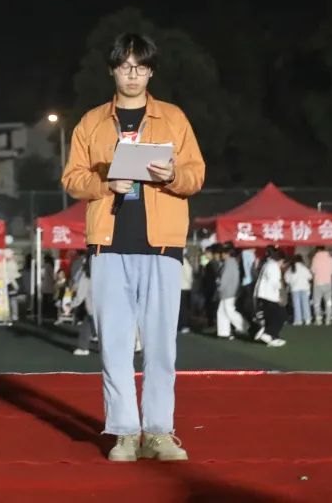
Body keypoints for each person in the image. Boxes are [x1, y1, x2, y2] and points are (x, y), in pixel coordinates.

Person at [61, 33, 205, 462]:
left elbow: (196, 175)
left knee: (161, 346)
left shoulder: (173, 118)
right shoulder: (91, 122)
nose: (132, 75)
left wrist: (172, 175)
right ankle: (124, 432)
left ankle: (159, 432)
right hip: (108, 246)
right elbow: (72, 179)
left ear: (151, 72)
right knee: (115, 344)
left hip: (162, 246)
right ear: (112, 71)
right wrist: (106, 182)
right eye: (125, 67)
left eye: (140, 67)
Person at [253, 248, 288, 345]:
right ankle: (269, 334)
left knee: (271, 316)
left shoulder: (267, 264)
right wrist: (279, 296)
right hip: (269, 296)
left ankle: (272, 336)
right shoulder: (273, 266)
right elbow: (274, 282)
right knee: (281, 315)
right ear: (281, 260)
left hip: (263, 295)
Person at [216, 245, 247, 338]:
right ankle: (224, 332)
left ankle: (245, 326)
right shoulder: (233, 263)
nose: (222, 255)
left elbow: (224, 279)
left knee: (229, 311)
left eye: (223, 253)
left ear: (227, 254)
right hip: (231, 291)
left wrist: (220, 288)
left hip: (228, 291)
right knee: (222, 311)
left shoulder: (228, 263)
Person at [72, 255, 96, 356]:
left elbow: (80, 294)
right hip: (106, 307)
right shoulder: (106, 273)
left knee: (87, 327)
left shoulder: (86, 276)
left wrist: (72, 304)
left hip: (92, 308)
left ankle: (83, 348)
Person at [285, 254, 313, 326]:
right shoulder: (304, 268)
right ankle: (307, 319)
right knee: (306, 304)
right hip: (304, 288)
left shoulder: (291, 268)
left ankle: (298, 320)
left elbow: (287, 279)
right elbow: (310, 277)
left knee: (296, 305)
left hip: (295, 289)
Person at [310, 246, 332, 325]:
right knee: (328, 302)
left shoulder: (315, 257)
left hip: (318, 282)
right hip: (328, 282)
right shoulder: (331, 257)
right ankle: (328, 319)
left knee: (317, 302)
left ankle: (318, 319)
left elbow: (313, 270)